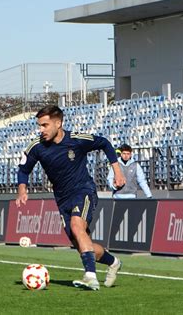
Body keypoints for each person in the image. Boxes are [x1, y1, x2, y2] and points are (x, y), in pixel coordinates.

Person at [16, 105, 125, 291]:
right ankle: (113, 262)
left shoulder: (76, 140)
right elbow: (24, 169)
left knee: (77, 225)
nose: (41, 130)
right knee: (82, 244)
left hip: (84, 190)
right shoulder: (36, 147)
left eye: (44, 125)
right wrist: (22, 190)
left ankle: (90, 276)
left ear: (58, 123)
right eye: (39, 126)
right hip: (62, 199)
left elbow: (105, 143)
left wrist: (117, 171)